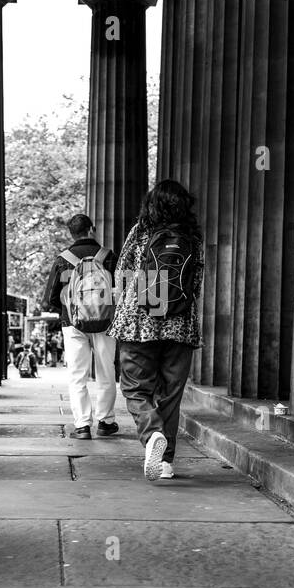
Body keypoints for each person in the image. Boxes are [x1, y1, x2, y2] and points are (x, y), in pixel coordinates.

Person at [109, 179, 204, 480]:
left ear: (152, 204)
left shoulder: (140, 233)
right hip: (180, 325)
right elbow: (197, 285)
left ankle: (151, 436)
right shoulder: (193, 238)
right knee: (171, 394)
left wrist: (127, 304)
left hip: (139, 322)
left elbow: (122, 273)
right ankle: (166, 463)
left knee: (136, 388)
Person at [42, 213, 118, 440]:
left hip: (73, 323)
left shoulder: (63, 259)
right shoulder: (108, 256)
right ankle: (106, 422)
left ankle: (83, 425)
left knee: (77, 375)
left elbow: (49, 298)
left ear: (71, 234)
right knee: (107, 371)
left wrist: (68, 310)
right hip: (106, 322)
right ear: (91, 229)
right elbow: (124, 287)